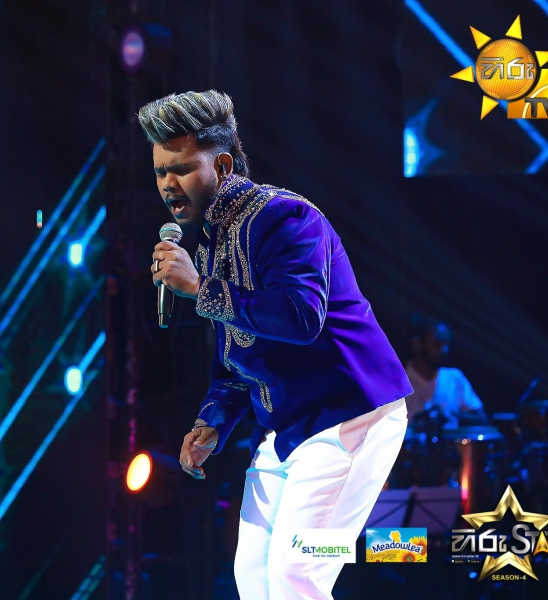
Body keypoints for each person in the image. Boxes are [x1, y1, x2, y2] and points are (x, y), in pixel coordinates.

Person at [139, 90, 413, 600]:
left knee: (296, 575)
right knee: (254, 576)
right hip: (285, 428)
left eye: (180, 169)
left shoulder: (286, 217)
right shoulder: (212, 241)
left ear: (222, 165)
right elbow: (239, 355)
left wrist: (200, 288)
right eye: (160, 172)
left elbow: (301, 317)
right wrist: (213, 422)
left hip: (350, 416)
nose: (167, 184)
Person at [404, 318, 488, 429]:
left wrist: (451, 416)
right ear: (417, 344)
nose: (444, 350)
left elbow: (481, 418)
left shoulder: (455, 378)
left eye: (446, 345)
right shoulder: (397, 381)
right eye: (437, 344)